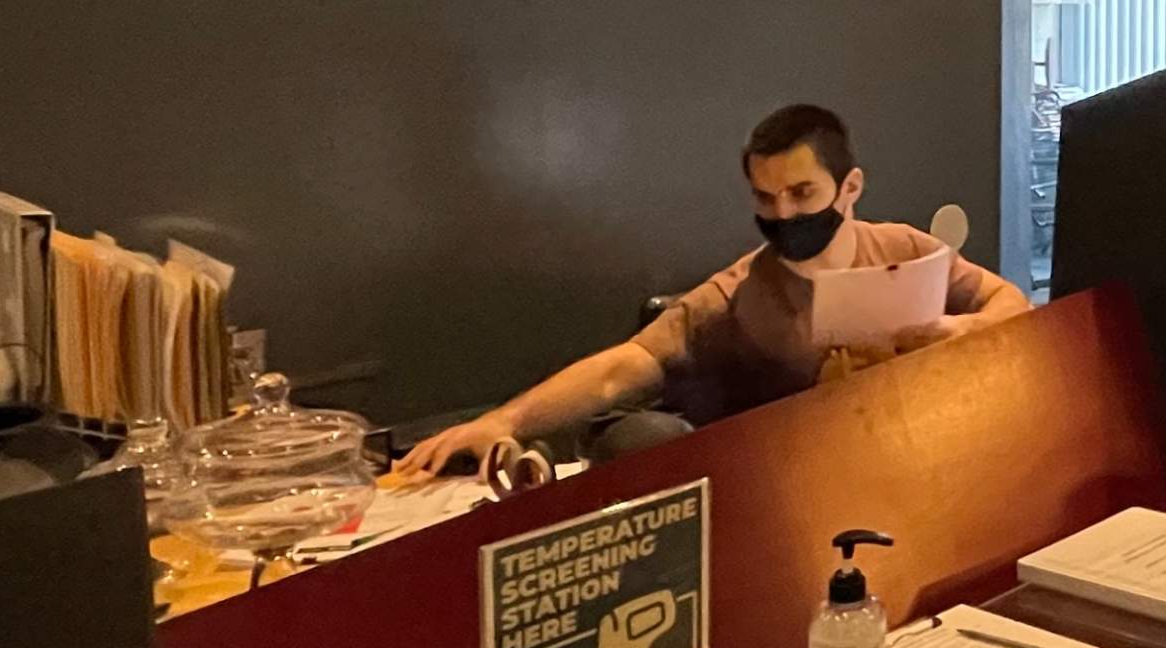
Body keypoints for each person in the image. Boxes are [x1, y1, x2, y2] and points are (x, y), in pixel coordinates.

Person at [402, 104, 1028, 474]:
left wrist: (958, 331)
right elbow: (619, 372)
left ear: (851, 187)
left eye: (802, 193)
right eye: (765, 197)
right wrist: (505, 420)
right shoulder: (733, 297)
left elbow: (1012, 306)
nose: (782, 213)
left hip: (925, 459)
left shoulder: (905, 248)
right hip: (804, 486)